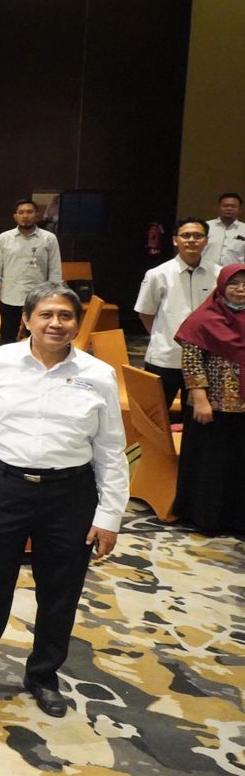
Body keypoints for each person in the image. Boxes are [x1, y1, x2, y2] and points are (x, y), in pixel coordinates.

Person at [0, 283, 128, 718]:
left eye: (66, 316)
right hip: (3, 488)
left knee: (60, 591)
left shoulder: (98, 374)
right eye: (47, 314)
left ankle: (44, 674)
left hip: (70, 494)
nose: (56, 323)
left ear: (76, 322)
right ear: (27, 320)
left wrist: (109, 515)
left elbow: (110, 448)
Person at [173, 262, 245, 534]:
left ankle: (237, 519)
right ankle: (205, 518)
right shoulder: (203, 319)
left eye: (244, 284)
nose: (240, 289)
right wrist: (200, 398)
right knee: (210, 465)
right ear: (221, 287)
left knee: (239, 464)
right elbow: (191, 362)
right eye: (233, 284)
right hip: (212, 406)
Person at [134, 219, 215, 408]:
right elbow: (145, 313)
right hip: (165, 357)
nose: (192, 240)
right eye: (186, 235)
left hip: (204, 360)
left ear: (206, 240)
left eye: (198, 235)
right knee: (155, 416)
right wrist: (161, 338)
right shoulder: (157, 274)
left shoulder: (218, 274)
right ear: (175, 240)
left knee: (200, 420)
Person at [0, 199, 62, 346]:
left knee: (37, 336)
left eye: (29, 212)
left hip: (38, 298)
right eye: (21, 212)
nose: (25, 216)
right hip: (10, 295)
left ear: (36, 215)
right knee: (7, 336)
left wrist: (54, 295)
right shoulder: (4, 238)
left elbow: (55, 271)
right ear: (15, 216)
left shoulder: (49, 239)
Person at [203, 192, 245, 270]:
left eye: (233, 206)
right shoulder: (205, 227)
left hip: (235, 276)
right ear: (218, 207)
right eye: (225, 205)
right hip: (206, 273)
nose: (229, 208)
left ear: (240, 210)